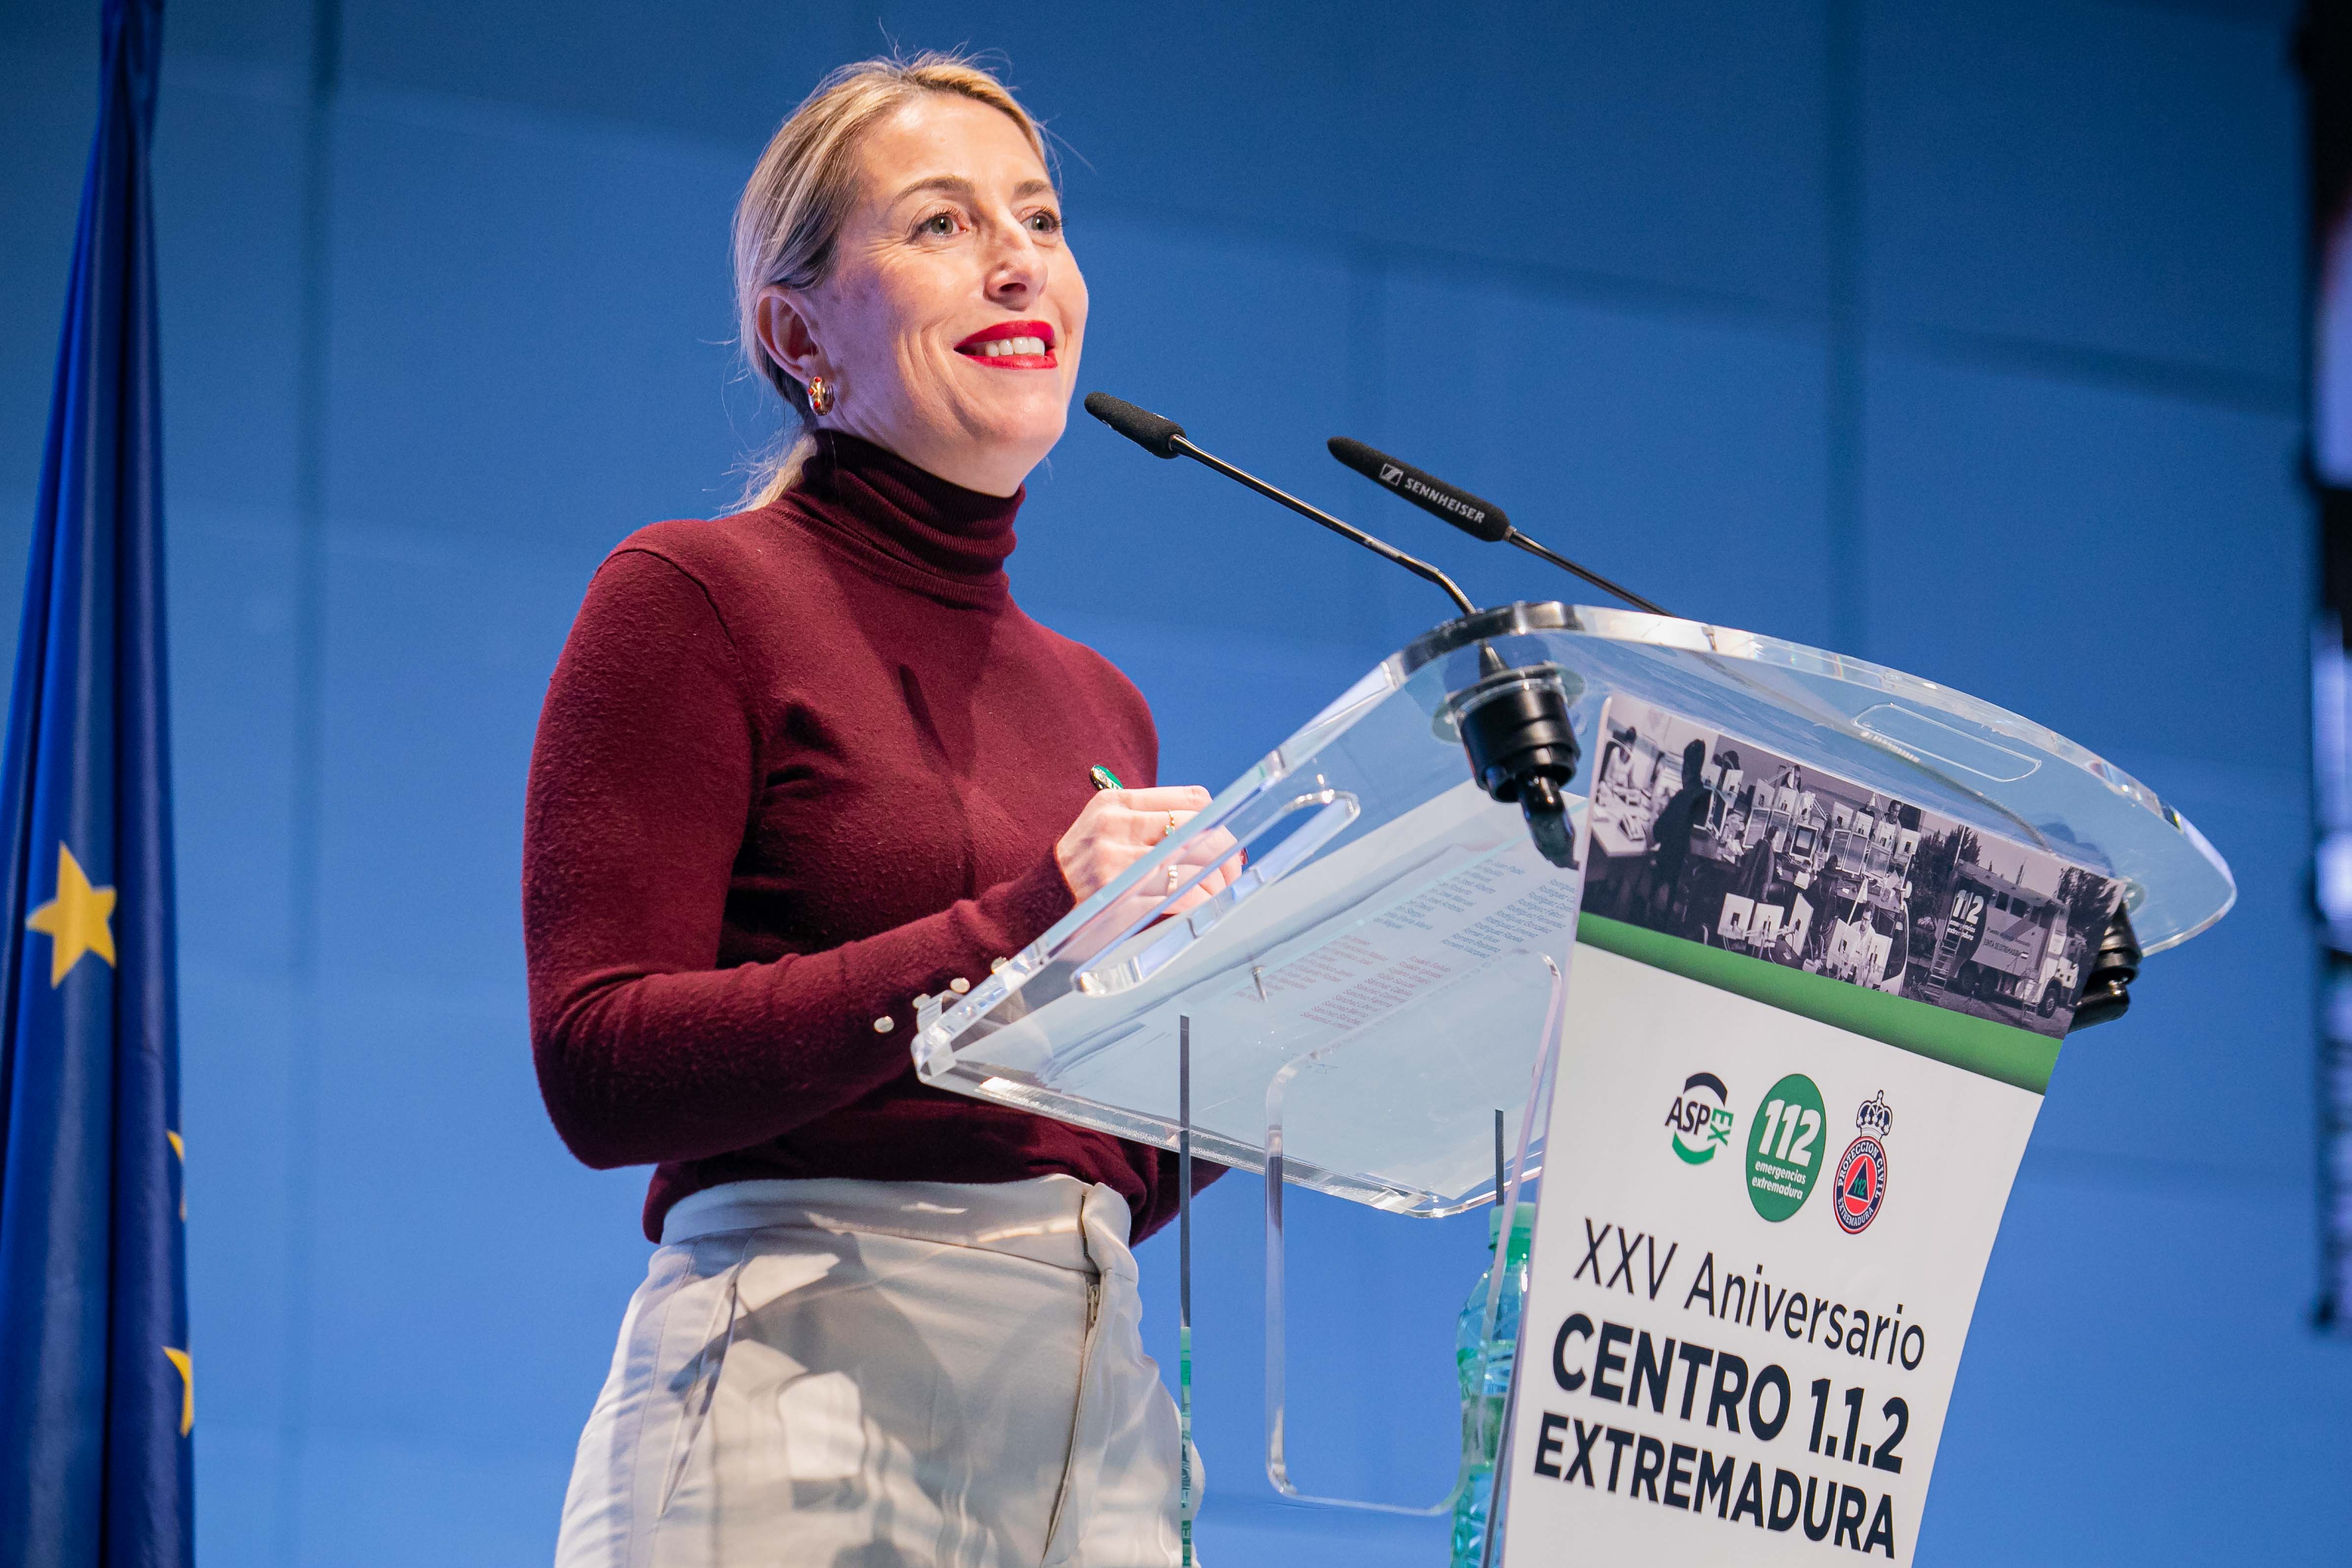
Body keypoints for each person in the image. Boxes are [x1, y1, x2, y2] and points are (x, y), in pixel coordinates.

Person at [524, 53, 1236, 1567]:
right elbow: (599, 1069)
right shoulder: (698, 599)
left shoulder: (1101, 705)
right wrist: (1025, 926)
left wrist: (1306, 1062)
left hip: (1089, 1427)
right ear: (798, 333)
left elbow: (1070, 1150)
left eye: (1039, 218)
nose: (1014, 258)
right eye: (937, 223)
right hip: (797, 1405)